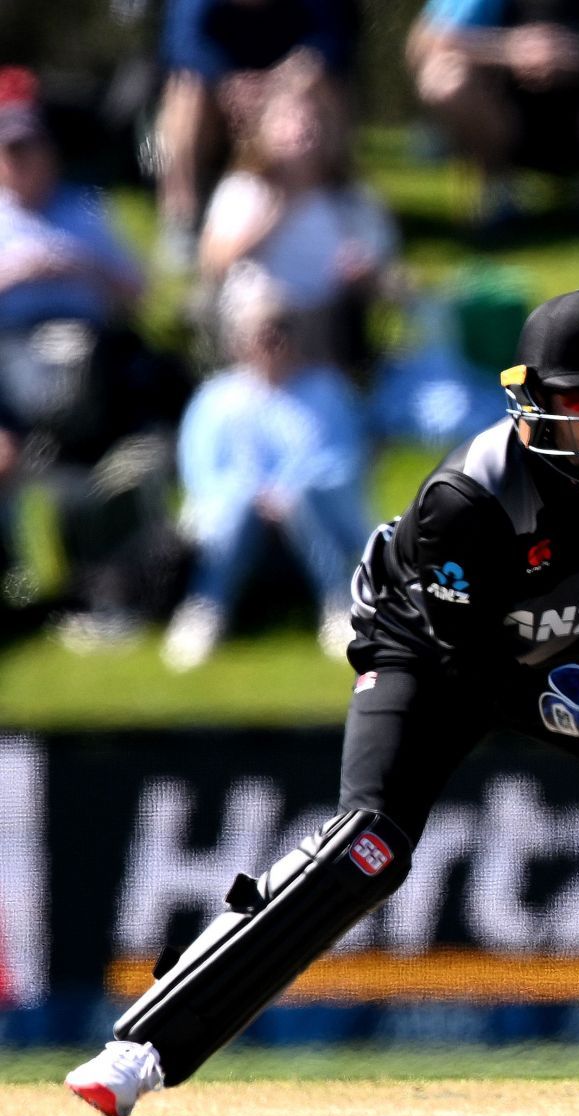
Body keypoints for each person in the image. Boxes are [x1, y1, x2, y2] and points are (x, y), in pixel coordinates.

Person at [65, 290, 579, 1116]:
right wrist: (576, 704)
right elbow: (474, 664)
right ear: (536, 405)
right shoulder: (468, 498)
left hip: (576, 646)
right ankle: (141, 1048)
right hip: (427, 650)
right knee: (370, 847)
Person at [0, 94, 189, 641]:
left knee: (126, 454)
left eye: (26, 148)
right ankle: (18, 585)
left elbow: (141, 293)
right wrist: (17, 274)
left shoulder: (84, 210)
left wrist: (81, 264)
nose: (18, 160)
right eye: (7, 151)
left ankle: (110, 588)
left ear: (49, 153)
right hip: (11, 359)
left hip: (94, 363)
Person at [160, 276, 370, 671]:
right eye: (263, 332)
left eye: (283, 330)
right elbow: (201, 475)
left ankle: (339, 605)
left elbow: (343, 463)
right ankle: (207, 608)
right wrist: (253, 494)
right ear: (239, 340)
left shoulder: (327, 391)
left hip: (313, 520)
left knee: (299, 498)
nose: (274, 341)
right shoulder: (216, 398)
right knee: (241, 503)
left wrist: (288, 493)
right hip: (236, 521)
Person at [197, 65, 397, 369]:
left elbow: (384, 274)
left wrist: (364, 273)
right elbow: (215, 262)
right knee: (265, 316)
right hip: (257, 322)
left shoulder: (350, 197)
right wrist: (275, 213)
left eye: (313, 119)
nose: (302, 130)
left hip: (329, 323)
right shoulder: (244, 190)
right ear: (264, 130)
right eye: (289, 119)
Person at [407, 0, 579, 226]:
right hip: (506, 111)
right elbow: (427, 40)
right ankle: (498, 194)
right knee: (443, 76)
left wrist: (574, 54)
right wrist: (510, 49)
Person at [153, 0, 360, 267]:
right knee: (184, 89)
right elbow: (182, 46)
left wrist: (281, 83)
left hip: (289, 89)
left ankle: (336, 205)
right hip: (221, 91)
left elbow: (330, 43)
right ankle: (181, 217)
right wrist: (226, 82)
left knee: (328, 89)